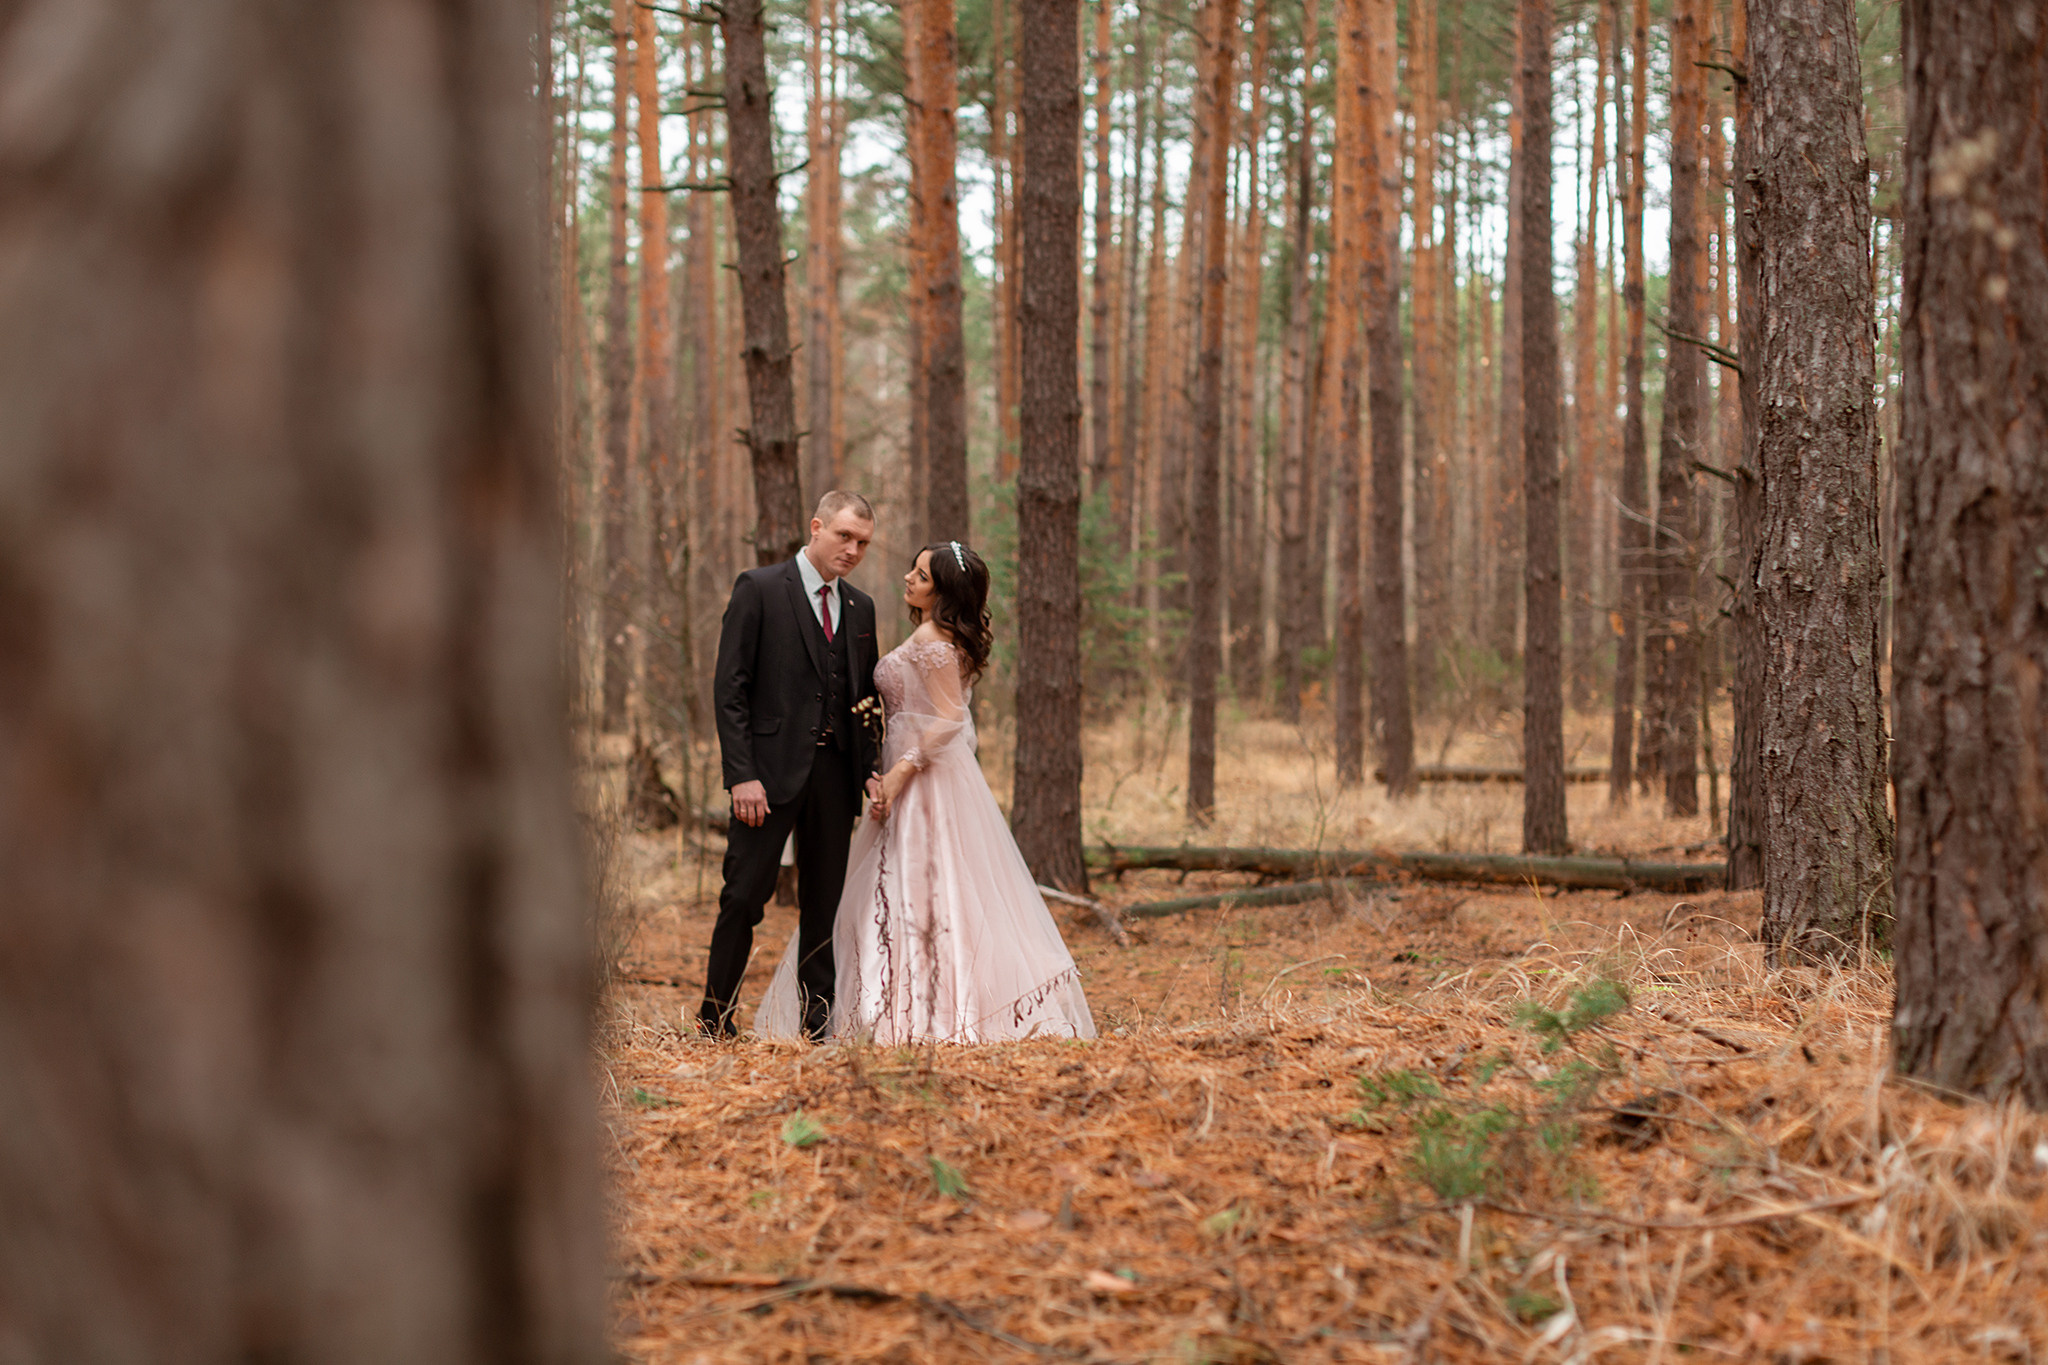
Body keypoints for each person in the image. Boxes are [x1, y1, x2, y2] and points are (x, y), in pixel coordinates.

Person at [757, 541, 1095, 1043]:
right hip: (903, 769)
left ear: (943, 591)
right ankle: (874, 1000)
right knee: (899, 884)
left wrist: (901, 772)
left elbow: (950, 718)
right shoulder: (931, 634)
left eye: (921, 575)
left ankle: (926, 1010)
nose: (909, 580)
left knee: (927, 883)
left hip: (922, 778)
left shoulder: (934, 640)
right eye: (913, 570)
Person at [698, 492, 882, 1041]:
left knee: (823, 903)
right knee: (743, 897)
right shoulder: (758, 589)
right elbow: (730, 689)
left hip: (834, 778)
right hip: (765, 776)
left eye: (863, 543)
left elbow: (864, 700)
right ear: (817, 527)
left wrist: (870, 766)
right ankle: (714, 1019)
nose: (852, 550)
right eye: (844, 536)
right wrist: (741, 775)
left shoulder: (861, 607)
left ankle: (816, 1023)